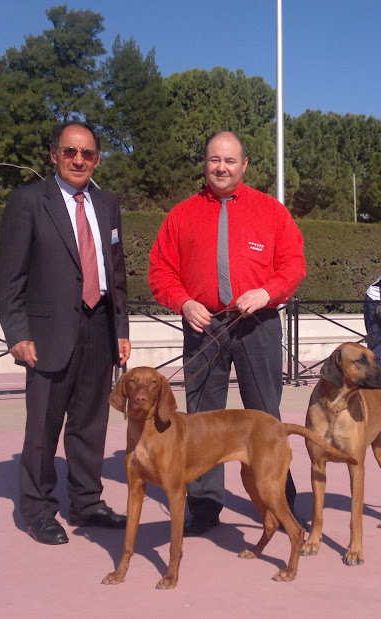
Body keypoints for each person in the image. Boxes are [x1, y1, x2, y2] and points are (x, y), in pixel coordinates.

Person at [148, 131, 307, 536]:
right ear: (205, 163)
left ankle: (282, 499)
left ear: (245, 165)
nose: (221, 167)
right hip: (203, 326)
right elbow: (160, 271)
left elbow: (293, 265)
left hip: (257, 324)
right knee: (200, 421)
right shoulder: (181, 214)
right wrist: (183, 301)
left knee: (265, 416)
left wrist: (268, 291)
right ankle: (204, 504)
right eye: (214, 159)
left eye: (230, 161)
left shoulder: (271, 211)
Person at [0, 121, 131, 545]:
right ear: (54, 154)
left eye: (87, 153)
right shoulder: (28, 201)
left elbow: (117, 271)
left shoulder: (108, 203)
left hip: (100, 327)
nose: (79, 160)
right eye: (70, 151)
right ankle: (38, 509)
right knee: (43, 428)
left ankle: (87, 502)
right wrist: (17, 332)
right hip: (47, 334)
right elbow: (9, 275)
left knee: (91, 425)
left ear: (97, 159)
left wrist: (121, 329)